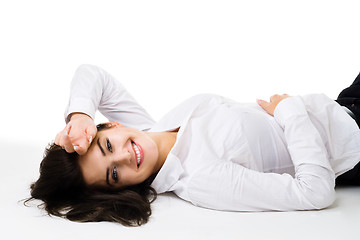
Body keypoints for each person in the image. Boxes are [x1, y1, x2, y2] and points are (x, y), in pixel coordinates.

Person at [26, 64, 360, 226]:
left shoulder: (148, 130)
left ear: (110, 125)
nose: (127, 156)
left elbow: (91, 74)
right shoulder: (201, 180)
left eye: (108, 147)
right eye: (114, 175)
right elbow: (314, 193)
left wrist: (80, 114)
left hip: (342, 104)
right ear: (120, 190)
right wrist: (289, 110)